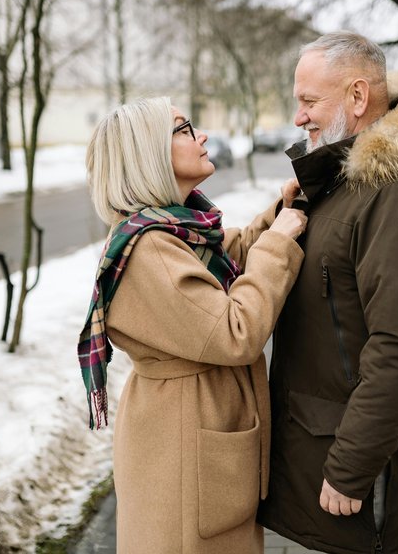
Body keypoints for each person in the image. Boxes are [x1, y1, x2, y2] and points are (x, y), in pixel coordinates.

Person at [77, 97, 307, 553]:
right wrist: (278, 245)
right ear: (148, 156)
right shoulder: (149, 251)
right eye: (184, 129)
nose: (201, 137)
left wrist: (277, 216)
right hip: (184, 438)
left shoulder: (172, 229)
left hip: (192, 424)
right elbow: (234, 333)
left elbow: (230, 255)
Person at [257, 31, 398, 554]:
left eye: (308, 101)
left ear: (358, 97)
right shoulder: (348, 181)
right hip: (319, 440)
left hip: (355, 462)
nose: (298, 117)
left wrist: (350, 469)